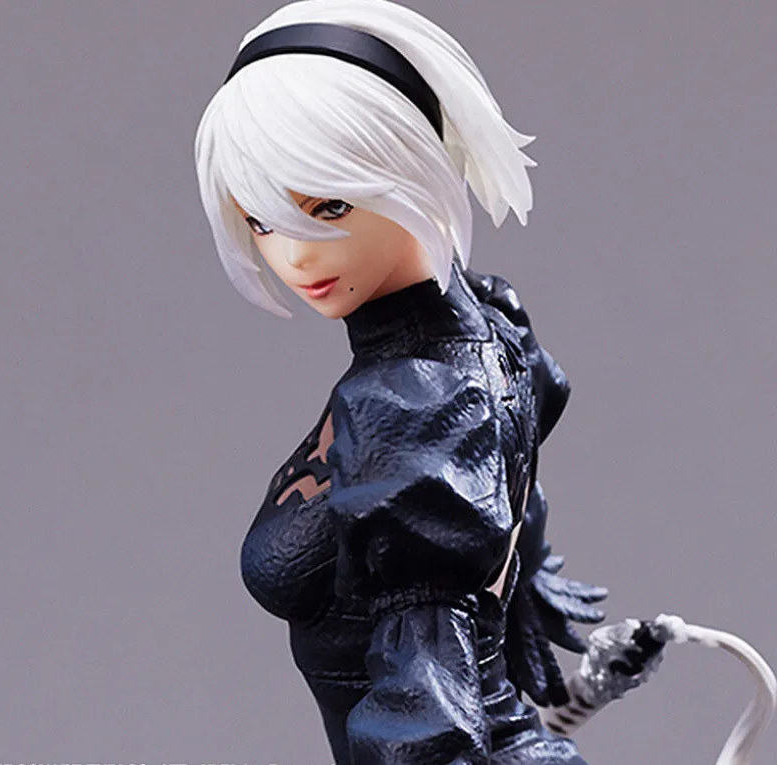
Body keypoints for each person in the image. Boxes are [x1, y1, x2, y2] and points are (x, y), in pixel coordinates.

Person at [194, 1, 662, 762]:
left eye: (329, 206)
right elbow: (508, 518)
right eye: (262, 221)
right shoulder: (490, 327)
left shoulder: (414, 401)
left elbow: (425, 707)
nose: (295, 255)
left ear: (410, 163)